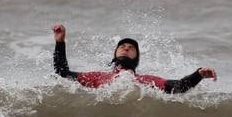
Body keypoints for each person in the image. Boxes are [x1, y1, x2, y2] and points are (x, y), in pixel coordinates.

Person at [52, 24, 217, 93]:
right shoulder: (97, 77)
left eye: (131, 48)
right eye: (122, 47)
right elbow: (62, 72)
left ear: (136, 58)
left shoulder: (146, 80)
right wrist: (60, 42)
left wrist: (199, 74)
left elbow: (179, 87)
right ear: (115, 54)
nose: (126, 48)